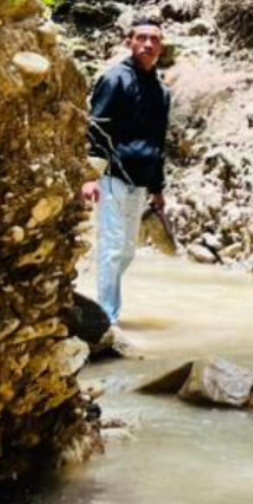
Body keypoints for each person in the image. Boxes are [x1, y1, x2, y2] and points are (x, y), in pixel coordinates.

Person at [80, 17, 170, 325]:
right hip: (112, 176)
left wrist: (158, 189)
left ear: (161, 46)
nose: (148, 44)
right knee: (113, 247)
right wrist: (90, 176)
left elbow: (158, 141)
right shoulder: (115, 79)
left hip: (141, 181)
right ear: (129, 42)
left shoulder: (161, 91)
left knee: (128, 250)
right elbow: (97, 127)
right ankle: (108, 318)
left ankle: (105, 311)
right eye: (141, 38)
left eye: (154, 39)